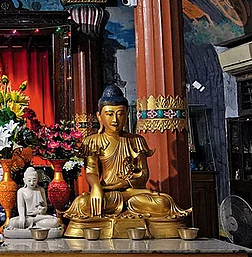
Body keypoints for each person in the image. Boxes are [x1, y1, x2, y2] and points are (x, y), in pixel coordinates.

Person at [63, 86, 190, 238]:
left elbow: (143, 175)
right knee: (82, 203)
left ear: (127, 114)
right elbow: (91, 171)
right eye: (109, 114)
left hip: (132, 195)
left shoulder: (136, 141)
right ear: (99, 117)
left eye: (120, 114)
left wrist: (126, 183)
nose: (115, 120)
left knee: (163, 203)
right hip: (108, 195)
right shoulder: (93, 141)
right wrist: (96, 187)